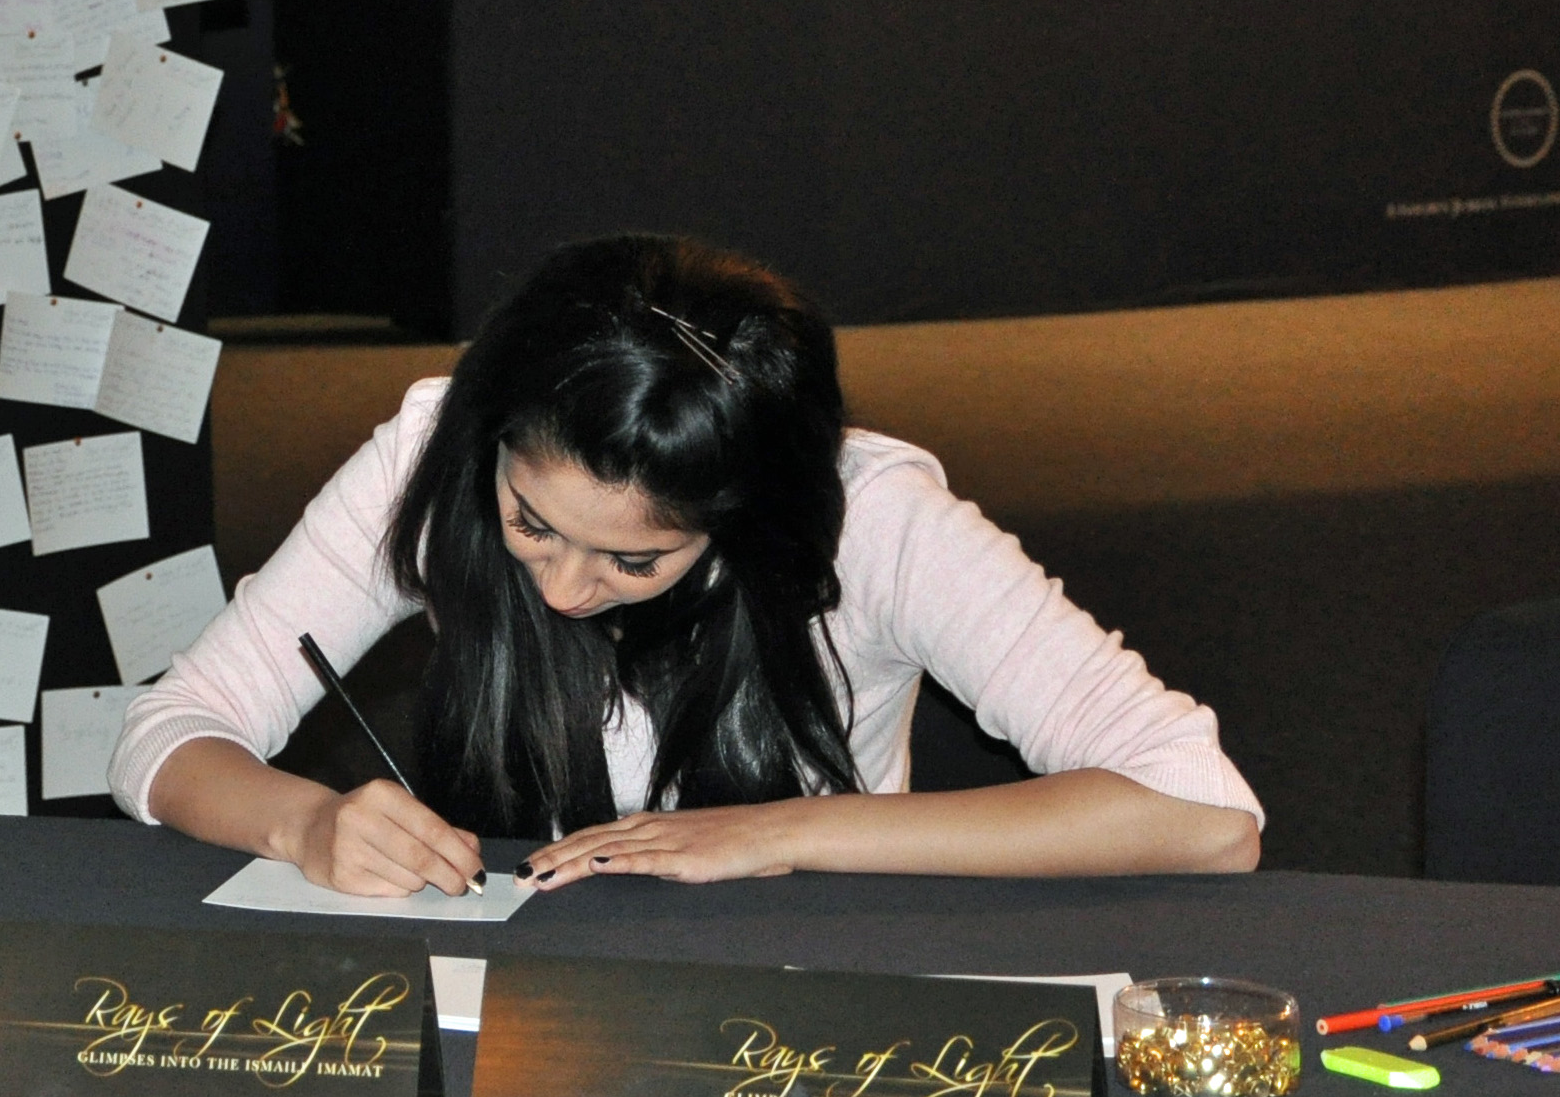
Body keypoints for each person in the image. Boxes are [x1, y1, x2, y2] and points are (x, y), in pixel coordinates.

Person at [117, 235, 1263, 895]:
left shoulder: (870, 520)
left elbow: (1204, 812)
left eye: (632, 558)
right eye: (530, 526)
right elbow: (167, 731)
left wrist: (783, 830)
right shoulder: (435, 449)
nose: (563, 591)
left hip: (791, 1000)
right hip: (500, 988)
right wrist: (302, 824)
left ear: (740, 522)